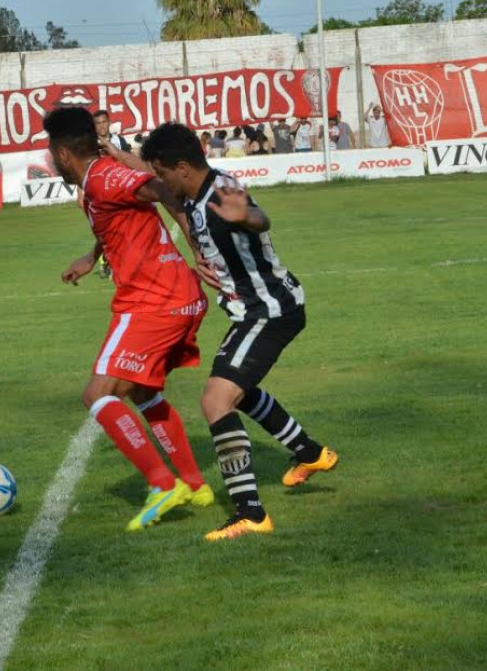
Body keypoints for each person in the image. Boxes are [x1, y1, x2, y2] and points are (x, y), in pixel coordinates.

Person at [139, 123, 339, 542]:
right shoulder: (194, 193)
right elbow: (164, 193)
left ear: (181, 167)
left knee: (215, 400)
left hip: (268, 312)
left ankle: (250, 513)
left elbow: (258, 218)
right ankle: (310, 452)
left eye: (161, 171)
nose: (159, 180)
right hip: (255, 312)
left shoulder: (223, 196)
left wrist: (246, 215)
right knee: (238, 390)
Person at [44, 107, 214, 530]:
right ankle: (194, 484)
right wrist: (92, 256)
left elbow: (165, 191)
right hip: (174, 297)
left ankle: (161, 484)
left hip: (153, 300)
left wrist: (196, 247)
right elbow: (115, 221)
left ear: (64, 154)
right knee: (143, 393)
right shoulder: (95, 186)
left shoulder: (104, 176)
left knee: (98, 394)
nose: (50, 159)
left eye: (51, 151)